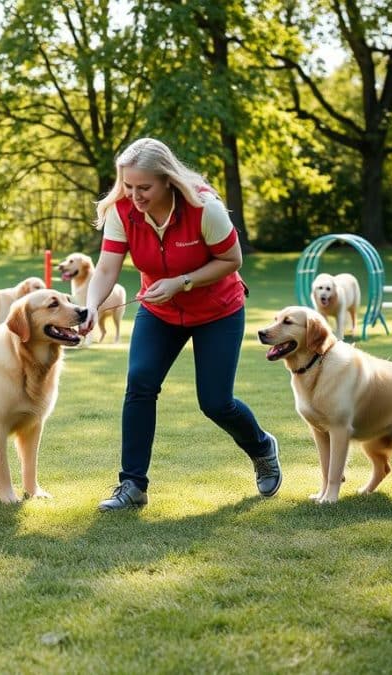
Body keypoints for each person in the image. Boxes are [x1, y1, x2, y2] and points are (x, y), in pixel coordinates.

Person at [80, 138, 281, 510]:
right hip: (160, 311)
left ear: (168, 180)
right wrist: (91, 306)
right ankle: (132, 485)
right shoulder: (122, 211)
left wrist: (182, 281)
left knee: (216, 402)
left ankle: (262, 447)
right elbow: (107, 267)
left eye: (144, 187)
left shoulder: (204, 208)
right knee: (140, 383)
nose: (134, 195)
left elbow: (232, 259)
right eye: (128, 186)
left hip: (217, 310)